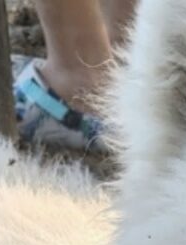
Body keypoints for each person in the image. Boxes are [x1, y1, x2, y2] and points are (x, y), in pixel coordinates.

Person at [13, 0, 136, 150]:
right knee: (125, 46)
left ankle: (80, 79)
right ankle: (121, 48)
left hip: (78, 102)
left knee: (85, 77)